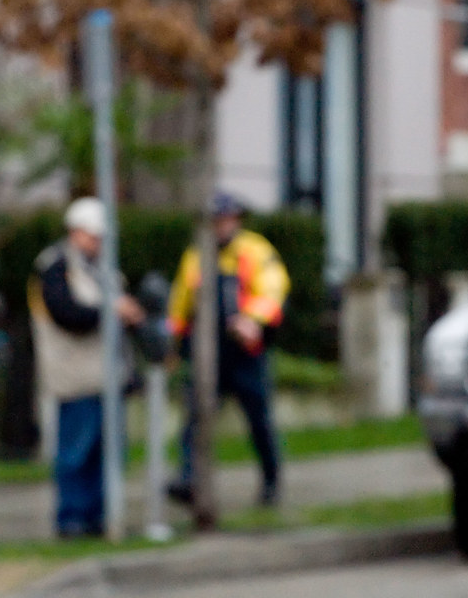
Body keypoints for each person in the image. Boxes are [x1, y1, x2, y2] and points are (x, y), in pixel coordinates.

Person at [28, 197, 145, 538]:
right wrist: (112, 311)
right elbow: (67, 314)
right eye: (93, 235)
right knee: (76, 453)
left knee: (106, 453)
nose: (98, 242)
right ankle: (71, 518)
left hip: (107, 376)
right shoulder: (54, 267)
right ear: (75, 232)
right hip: (77, 377)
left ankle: (99, 515)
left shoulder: (102, 268)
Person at [167, 191, 290, 508]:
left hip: (245, 351)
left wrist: (253, 320)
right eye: (216, 221)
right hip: (207, 354)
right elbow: (180, 302)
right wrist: (172, 340)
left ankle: (271, 480)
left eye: (226, 219)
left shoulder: (254, 250)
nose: (221, 226)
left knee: (258, 420)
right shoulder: (196, 256)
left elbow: (273, 288)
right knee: (196, 418)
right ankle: (190, 479)